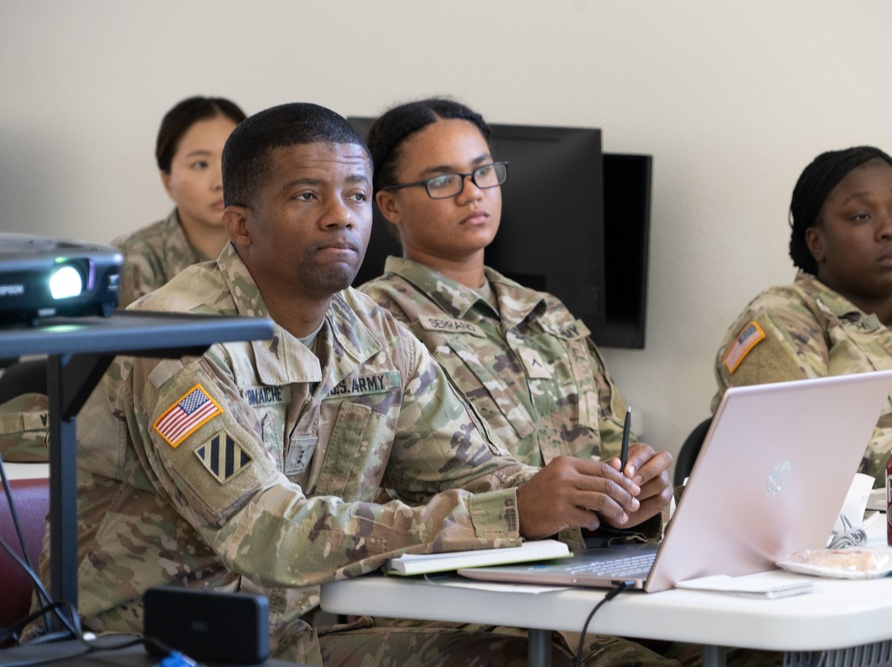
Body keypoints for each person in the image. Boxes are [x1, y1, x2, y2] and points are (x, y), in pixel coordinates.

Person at [38, 102, 670, 667]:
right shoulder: (177, 342)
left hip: (307, 627)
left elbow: (471, 472)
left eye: (358, 195)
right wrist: (509, 513)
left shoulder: (373, 332)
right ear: (241, 224)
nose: (342, 218)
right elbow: (269, 536)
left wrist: (593, 501)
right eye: (307, 196)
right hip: (163, 646)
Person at [358, 98, 671, 536]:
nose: (472, 193)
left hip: (575, 580)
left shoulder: (548, 314)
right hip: (451, 589)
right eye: (444, 181)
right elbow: (354, 504)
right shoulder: (370, 322)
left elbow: (608, 440)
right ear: (389, 206)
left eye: (483, 171)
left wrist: (636, 487)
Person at [712, 146, 892, 486]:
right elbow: (791, 450)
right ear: (816, 242)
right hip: (846, 532)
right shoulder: (783, 318)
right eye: (861, 216)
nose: (890, 230)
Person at [111, 96, 246, 307]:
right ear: (168, 182)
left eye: (231, 161)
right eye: (200, 164)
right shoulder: (133, 256)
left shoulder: (277, 247)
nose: (220, 182)